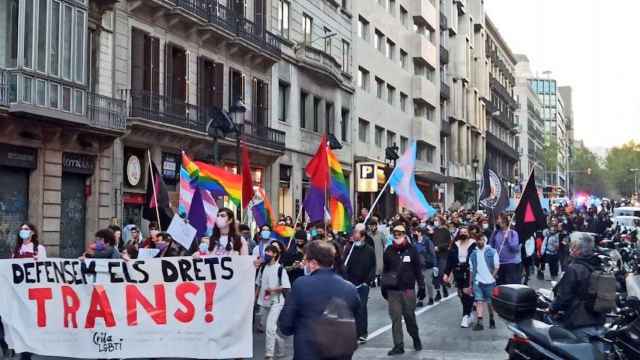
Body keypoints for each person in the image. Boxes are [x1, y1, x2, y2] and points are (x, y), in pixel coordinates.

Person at [278, 240, 361, 360]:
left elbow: (285, 325)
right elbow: (357, 326)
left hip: (308, 353)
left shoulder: (301, 284)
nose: (304, 264)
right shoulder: (350, 288)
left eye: (306, 261)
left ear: (313, 263)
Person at [549, 232, 606, 339]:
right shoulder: (598, 266)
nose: (570, 248)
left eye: (572, 245)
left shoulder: (574, 269)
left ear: (578, 249)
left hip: (579, 322)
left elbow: (564, 296)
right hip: (599, 322)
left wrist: (552, 308)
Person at [381, 225, 424, 355]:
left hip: (408, 290)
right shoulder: (389, 250)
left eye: (399, 233)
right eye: (395, 233)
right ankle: (398, 345)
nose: (397, 235)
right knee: (395, 318)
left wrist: (421, 286)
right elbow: (385, 270)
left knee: (410, 317)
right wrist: (384, 287)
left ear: (404, 234)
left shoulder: (412, 250)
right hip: (393, 290)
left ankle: (415, 337)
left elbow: (417, 269)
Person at [343, 223, 376, 344]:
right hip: (350, 283)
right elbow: (344, 265)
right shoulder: (349, 249)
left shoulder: (369, 250)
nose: (354, 235)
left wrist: (368, 281)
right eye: (354, 233)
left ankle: (362, 333)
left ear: (362, 236)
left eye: (356, 233)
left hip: (363, 284)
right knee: (350, 308)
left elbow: (373, 266)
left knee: (361, 307)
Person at [256, 245, 290, 360]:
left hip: (277, 302)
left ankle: (269, 355)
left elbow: (286, 286)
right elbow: (258, 284)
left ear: (275, 254)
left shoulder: (280, 269)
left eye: (269, 252)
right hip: (263, 301)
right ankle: (280, 342)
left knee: (270, 328)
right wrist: (255, 299)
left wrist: (273, 290)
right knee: (267, 328)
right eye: (266, 252)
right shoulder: (262, 267)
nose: (267, 254)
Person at [443, 227, 476, 328]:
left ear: (468, 233)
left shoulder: (473, 244)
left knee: (467, 292)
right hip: (458, 271)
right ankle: (469, 312)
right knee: (461, 293)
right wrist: (446, 273)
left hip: (469, 271)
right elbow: (449, 260)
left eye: (465, 232)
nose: (463, 234)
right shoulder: (455, 245)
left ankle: (466, 316)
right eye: (461, 232)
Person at [468, 225, 499, 331]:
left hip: (490, 282)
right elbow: (471, 270)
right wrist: (470, 284)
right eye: (478, 240)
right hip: (478, 281)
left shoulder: (492, 252)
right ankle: (480, 322)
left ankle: (491, 318)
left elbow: (496, 266)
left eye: (481, 240)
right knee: (479, 301)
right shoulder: (473, 254)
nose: (479, 242)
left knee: (490, 303)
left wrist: (492, 277)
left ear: (485, 240)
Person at [488, 214, 521, 285]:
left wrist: (508, 238)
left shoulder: (513, 233)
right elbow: (491, 247)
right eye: (498, 219)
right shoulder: (495, 233)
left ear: (505, 221)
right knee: (500, 286)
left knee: (510, 285)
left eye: (500, 219)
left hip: (511, 263)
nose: (499, 221)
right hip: (498, 264)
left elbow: (515, 248)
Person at [415, 226, 437, 306]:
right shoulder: (415, 241)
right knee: (420, 284)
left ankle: (431, 298)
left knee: (428, 283)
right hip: (419, 266)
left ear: (420, 232)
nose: (414, 233)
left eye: (416, 232)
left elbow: (433, 253)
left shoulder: (427, 241)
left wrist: (435, 265)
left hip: (427, 265)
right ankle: (420, 300)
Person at [432, 216, 451, 301]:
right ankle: (438, 292)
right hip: (434, 255)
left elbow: (448, 244)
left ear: (441, 221)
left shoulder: (446, 231)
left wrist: (439, 247)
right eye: (434, 220)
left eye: (436, 220)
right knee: (435, 274)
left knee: (441, 273)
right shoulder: (434, 231)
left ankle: (444, 287)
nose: (435, 222)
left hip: (443, 255)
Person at [367, 218, 386, 287]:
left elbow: (384, 244)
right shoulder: (368, 235)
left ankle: (379, 279)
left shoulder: (381, 234)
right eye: (371, 226)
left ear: (376, 226)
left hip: (379, 253)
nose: (372, 227)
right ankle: (373, 281)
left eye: (374, 226)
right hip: (371, 254)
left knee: (379, 267)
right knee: (372, 267)